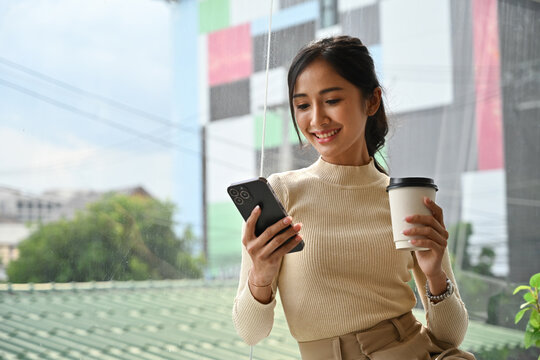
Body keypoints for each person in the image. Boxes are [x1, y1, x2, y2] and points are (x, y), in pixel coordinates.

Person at [232, 36, 475, 360]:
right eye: (303, 105)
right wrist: (260, 276)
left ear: (371, 101)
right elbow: (251, 332)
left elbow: (450, 337)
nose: (316, 119)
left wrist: (435, 275)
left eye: (331, 100)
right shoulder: (282, 193)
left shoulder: (404, 197)